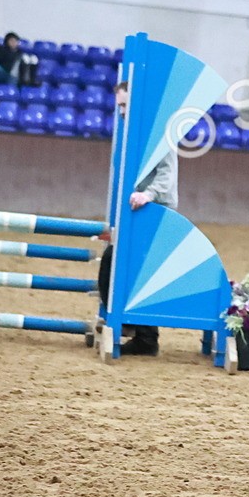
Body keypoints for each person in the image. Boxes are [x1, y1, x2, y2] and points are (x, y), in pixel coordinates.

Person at [96, 81, 179, 356]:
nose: (121, 111)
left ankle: (132, 328)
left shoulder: (158, 133)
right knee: (123, 265)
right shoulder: (134, 133)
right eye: (119, 105)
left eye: (125, 105)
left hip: (157, 209)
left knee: (122, 264)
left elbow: (167, 175)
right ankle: (135, 330)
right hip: (140, 210)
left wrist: (148, 194)